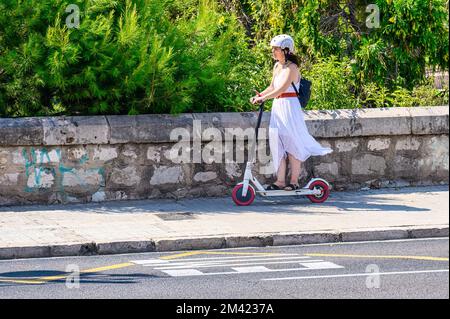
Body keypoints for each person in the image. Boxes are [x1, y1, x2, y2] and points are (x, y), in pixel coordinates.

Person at [250, 34, 332, 191]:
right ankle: (280, 181)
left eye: (276, 49)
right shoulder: (277, 67)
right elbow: (272, 87)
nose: (273, 52)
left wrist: (264, 98)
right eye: (273, 49)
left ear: (286, 50)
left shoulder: (292, 68)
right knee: (277, 141)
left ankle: (293, 181)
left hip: (289, 106)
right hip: (278, 105)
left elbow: (281, 89)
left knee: (292, 142)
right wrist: (259, 95)